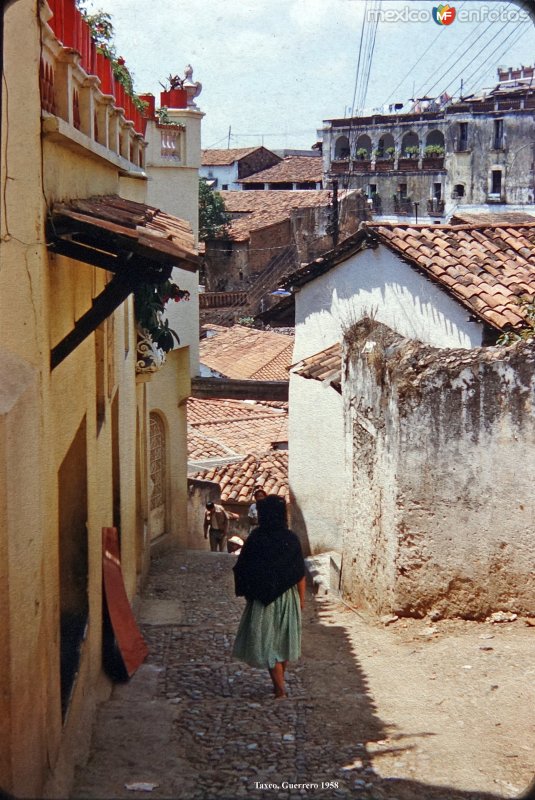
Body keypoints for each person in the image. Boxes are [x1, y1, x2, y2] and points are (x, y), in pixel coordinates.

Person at [232, 494, 306, 699]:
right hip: (287, 598)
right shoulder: (291, 539)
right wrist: (301, 600)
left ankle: (279, 687)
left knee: (269, 644)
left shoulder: (256, 538)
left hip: (262, 602)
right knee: (282, 643)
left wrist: (249, 593)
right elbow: (300, 573)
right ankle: (280, 687)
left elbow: (242, 568)